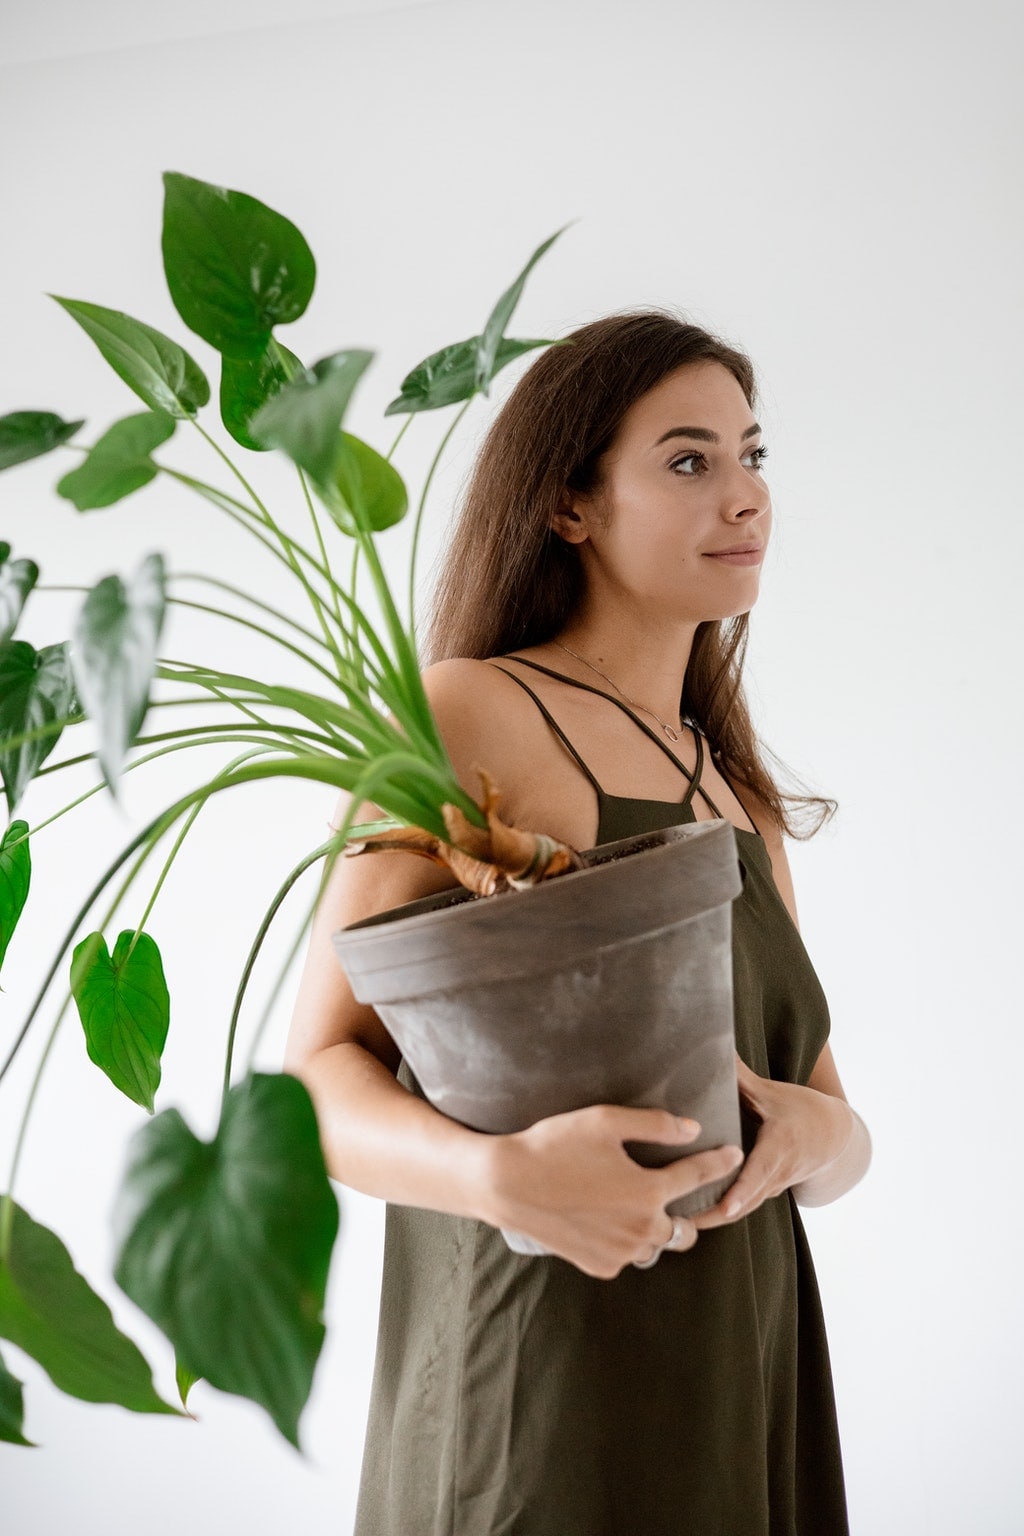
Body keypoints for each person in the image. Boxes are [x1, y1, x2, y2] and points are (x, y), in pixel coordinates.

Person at [284, 311, 872, 1535]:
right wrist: (498, 1175)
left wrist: (813, 1135)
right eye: (689, 459)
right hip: (532, 1386)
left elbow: (830, 1122)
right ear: (569, 507)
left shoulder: (740, 798)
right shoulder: (463, 711)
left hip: (736, 1376)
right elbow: (316, 1079)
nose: (746, 496)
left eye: (754, 456)